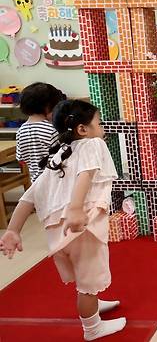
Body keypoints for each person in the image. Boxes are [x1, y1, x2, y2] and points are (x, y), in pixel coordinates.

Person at [0, 100, 125, 340]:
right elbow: (85, 174)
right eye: (98, 124)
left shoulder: (59, 155)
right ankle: (93, 328)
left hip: (58, 232)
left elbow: (29, 197)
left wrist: (13, 230)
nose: (102, 129)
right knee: (88, 282)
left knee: (83, 275)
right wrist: (76, 208)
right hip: (81, 228)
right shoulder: (93, 144)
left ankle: (94, 304)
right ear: (82, 129)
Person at [15, 82, 66, 183]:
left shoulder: (21, 131)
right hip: (56, 181)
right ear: (48, 107)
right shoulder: (52, 130)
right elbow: (64, 156)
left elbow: (20, 159)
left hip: (36, 182)